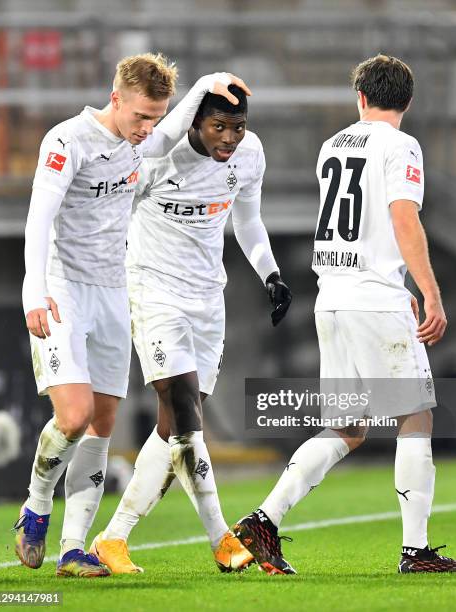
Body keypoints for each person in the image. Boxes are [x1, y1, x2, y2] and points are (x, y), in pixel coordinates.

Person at [231, 54, 456, 575]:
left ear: (360, 98)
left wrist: (395, 281)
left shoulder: (333, 145)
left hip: (334, 298)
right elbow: (402, 218)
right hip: (372, 301)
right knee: (416, 414)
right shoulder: (401, 145)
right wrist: (429, 291)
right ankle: (417, 551)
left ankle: (263, 520)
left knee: (348, 427)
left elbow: (357, 223)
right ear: (407, 101)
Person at [14, 52, 250, 578]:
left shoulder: (142, 145)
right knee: (72, 417)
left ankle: (74, 548)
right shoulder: (67, 140)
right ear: (115, 98)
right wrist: (35, 290)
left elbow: (172, 129)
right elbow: (39, 215)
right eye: (140, 116)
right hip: (63, 289)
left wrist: (208, 82)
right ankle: (36, 506)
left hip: (113, 291)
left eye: (156, 116)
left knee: (102, 424)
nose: (148, 128)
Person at [88, 84, 292, 573]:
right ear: (195, 123)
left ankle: (113, 539)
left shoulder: (250, 154)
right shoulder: (160, 157)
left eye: (237, 127)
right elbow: (109, 214)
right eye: (218, 126)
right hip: (155, 293)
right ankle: (222, 537)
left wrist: (271, 274)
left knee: (174, 427)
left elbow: (248, 220)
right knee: (184, 411)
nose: (229, 138)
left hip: (208, 301)